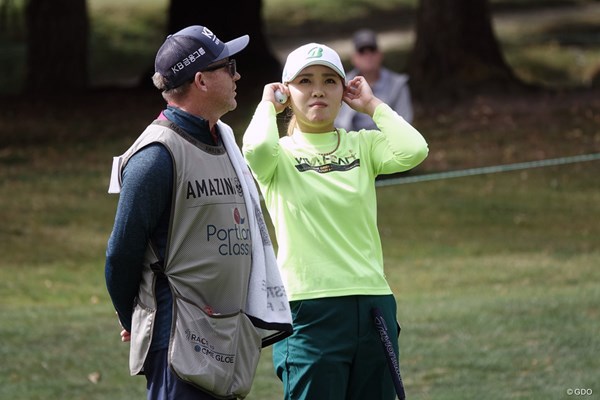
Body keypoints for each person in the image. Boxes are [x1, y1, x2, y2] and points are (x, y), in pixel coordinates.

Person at [105, 25, 291, 400]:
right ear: (202, 80)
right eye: (229, 66)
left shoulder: (221, 141)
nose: (238, 75)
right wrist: (136, 318)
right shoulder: (156, 157)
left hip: (227, 339)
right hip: (178, 344)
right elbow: (120, 254)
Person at [242, 43, 428, 400]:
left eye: (330, 81)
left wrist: (372, 106)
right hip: (309, 309)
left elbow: (414, 149)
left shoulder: (363, 145)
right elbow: (255, 149)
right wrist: (267, 104)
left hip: (373, 302)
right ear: (286, 91)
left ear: (344, 90)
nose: (318, 90)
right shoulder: (278, 155)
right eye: (304, 81)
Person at [335, 28, 414, 131]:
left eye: (372, 50)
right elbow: (336, 122)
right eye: (362, 51)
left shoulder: (398, 84)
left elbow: (405, 122)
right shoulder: (341, 84)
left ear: (380, 55)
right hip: (350, 142)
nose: (368, 56)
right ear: (353, 58)